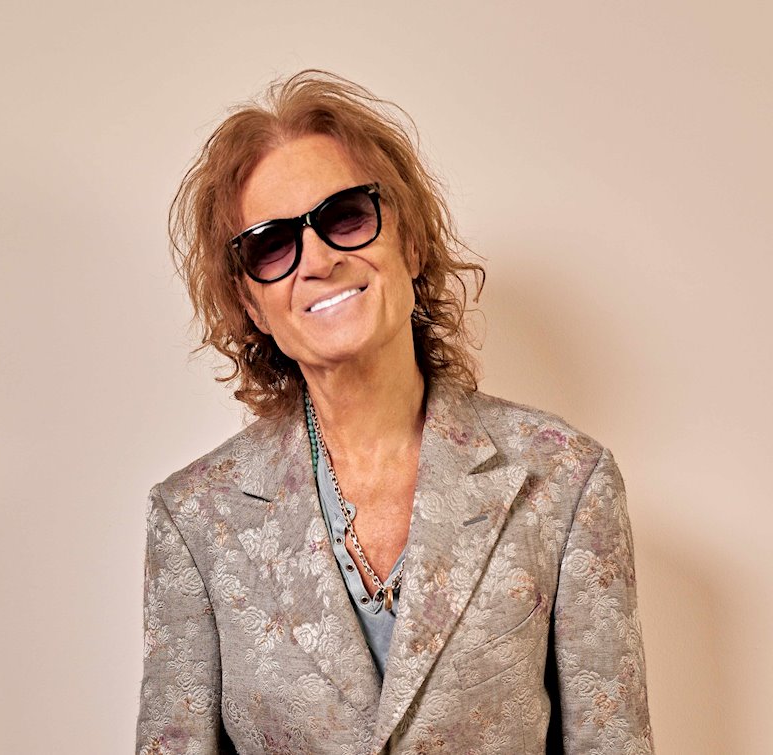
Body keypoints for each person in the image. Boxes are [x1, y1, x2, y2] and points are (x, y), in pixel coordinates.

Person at [136, 70, 653, 755]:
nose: (317, 259)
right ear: (251, 304)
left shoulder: (566, 480)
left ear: (409, 243)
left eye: (345, 215)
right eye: (272, 244)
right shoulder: (195, 519)